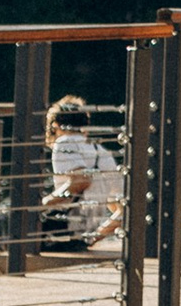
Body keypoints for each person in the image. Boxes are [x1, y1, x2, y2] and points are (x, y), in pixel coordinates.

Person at [44, 94, 123, 246]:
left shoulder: (64, 143)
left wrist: (44, 203)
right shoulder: (101, 151)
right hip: (81, 238)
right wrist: (95, 236)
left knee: (7, 218)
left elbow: (81, 180)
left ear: (55, 125)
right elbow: (123, 210)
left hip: (59, 232)